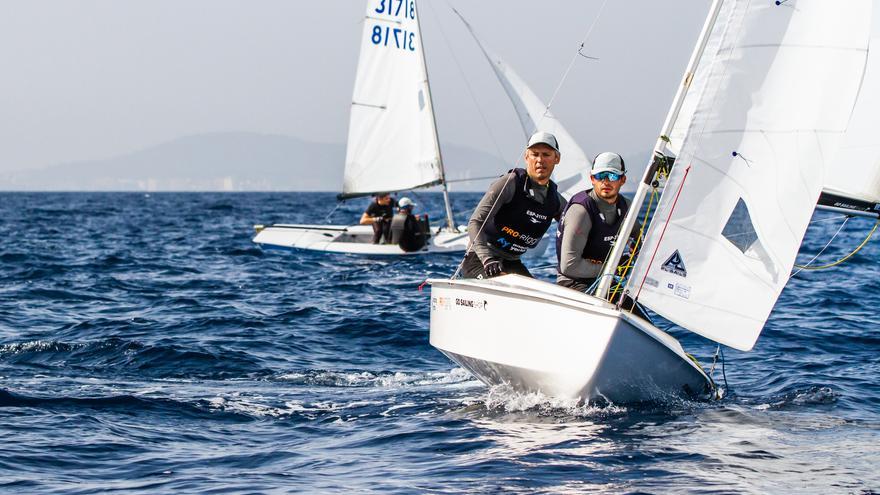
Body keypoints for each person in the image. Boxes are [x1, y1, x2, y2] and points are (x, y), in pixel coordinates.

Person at [461, 131, 566, 279]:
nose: (539, 160)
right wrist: (487, 259)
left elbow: (576, 229)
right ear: (526, 157)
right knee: (511, 286)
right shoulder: (509, 183)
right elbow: (474, 223)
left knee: (536, 295)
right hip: (480, 260)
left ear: (557, 158)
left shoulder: (556, 201)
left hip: (512, 263)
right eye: (535, 154)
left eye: (546, 154)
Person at [556, 152, 640, 293]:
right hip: (574, 282)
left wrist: (637, 255)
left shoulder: (626, 206)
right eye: (600, 176)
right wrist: (615, 268)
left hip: (604, 279)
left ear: (623, 179)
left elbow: (640, 239)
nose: (606, 182)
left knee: (638, 314)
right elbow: (569, 267)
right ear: (592, 179)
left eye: (612, 176)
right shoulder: (581, 211)